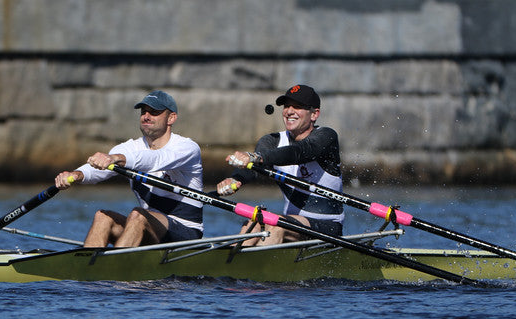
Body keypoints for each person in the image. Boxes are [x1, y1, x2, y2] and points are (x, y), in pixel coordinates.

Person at [54, 90, 203, 248]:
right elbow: (100, 170)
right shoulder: (130, 147)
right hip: (148, 229)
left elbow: (155, 159)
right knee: (102, 217)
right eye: (143, 112)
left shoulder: (187, 148)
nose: (146, 116)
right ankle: (86, 266)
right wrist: (75, 175)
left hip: (186, 234)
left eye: (154, 112)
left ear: (171, 118)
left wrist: (116, 159)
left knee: (138, 215)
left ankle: (113, 267)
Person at [216, 84, 344, 246]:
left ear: (314, 114)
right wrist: (235, 180)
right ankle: (229, 264)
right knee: (253, 223)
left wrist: (255, 157)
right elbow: (257, 170)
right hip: (292, 223)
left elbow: (300, 152)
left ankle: (262, 268)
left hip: (328, 227)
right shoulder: (271, 141)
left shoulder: (326, 137)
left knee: (276, 225)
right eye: (286, 106)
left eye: (297, 107)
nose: (289, 111)